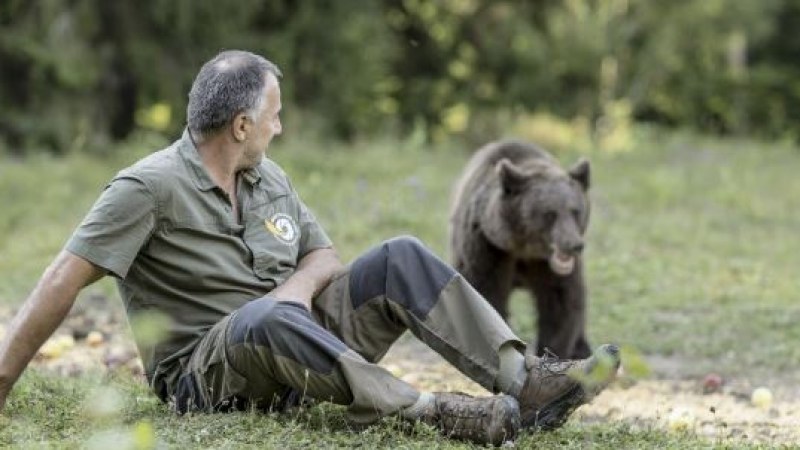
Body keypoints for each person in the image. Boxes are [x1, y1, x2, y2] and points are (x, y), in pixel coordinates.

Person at [0, 50, 620, 446]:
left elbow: (323, 258)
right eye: (274, 114)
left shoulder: (267, 176)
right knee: (266, 318)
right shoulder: (147, 187)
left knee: (398, 254)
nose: (280, 126)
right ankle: (433, 411)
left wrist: (294, 295)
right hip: (208, 374)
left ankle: (525, 379)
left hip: (298, 341)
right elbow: (63, 276)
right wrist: (3, 376)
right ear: (241, 124)